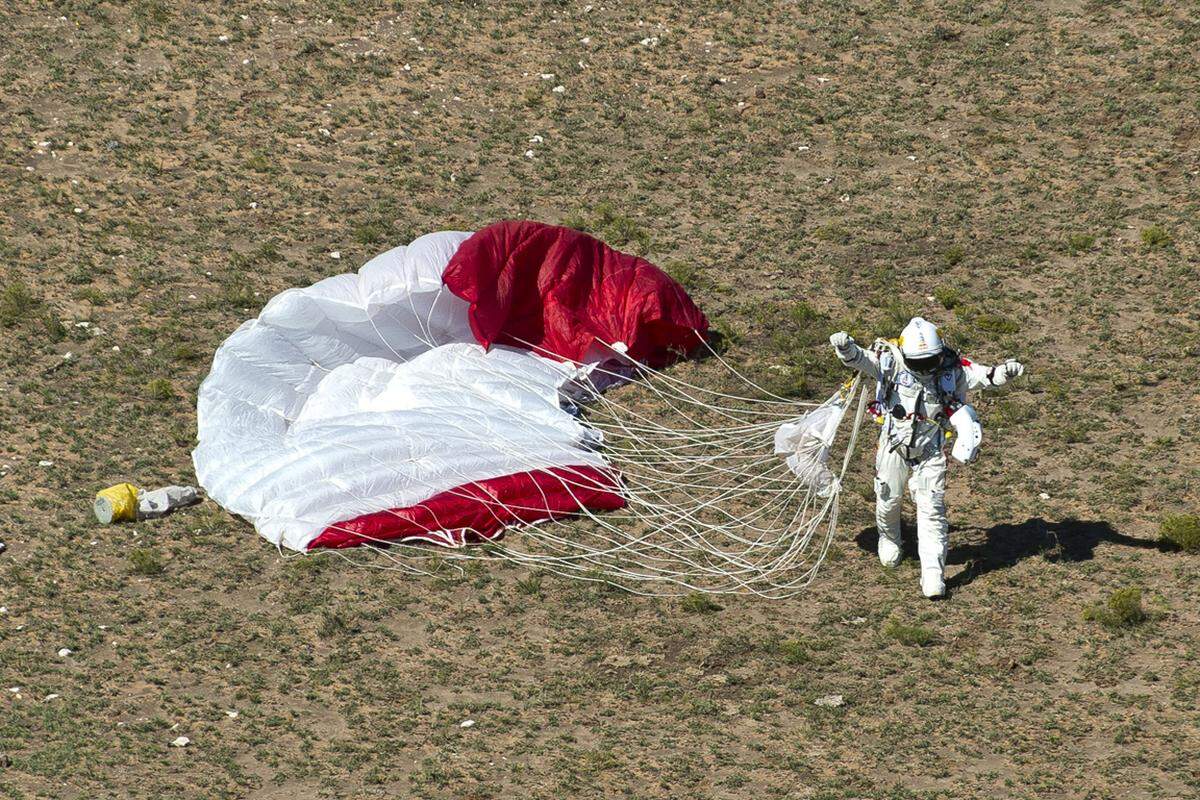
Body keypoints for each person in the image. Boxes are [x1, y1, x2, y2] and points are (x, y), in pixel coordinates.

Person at [829, 317, 1024, 598]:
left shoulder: (951, 370)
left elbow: (985, 376)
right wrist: (846, 348)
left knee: (932, 511)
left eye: (929, 361)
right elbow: (862, 360)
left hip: (930, 451)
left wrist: (1006, 371)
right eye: (918, 363)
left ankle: (933, 573)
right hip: (894, 445)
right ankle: (890, 538)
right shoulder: (891, 361)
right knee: (888, 497)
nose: (924, 368)